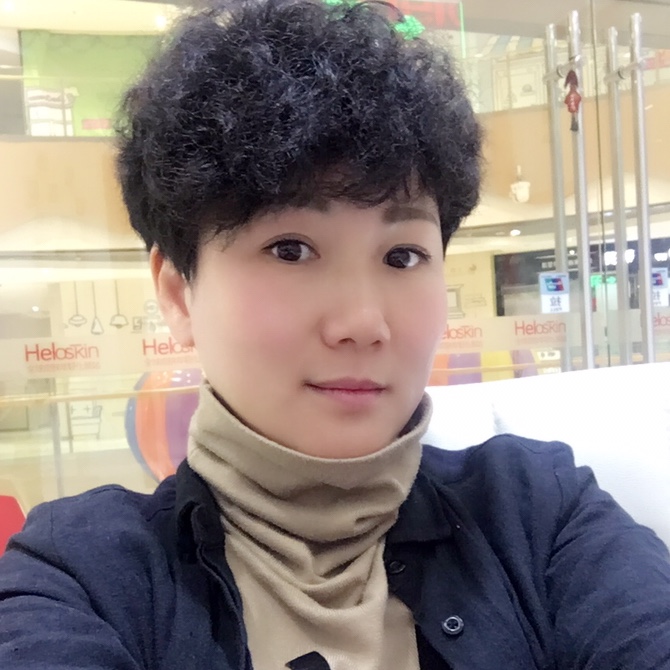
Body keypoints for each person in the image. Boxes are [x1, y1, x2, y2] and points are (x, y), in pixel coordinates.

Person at [1, 0, 669, 668]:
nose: (362, 324)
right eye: (290, 249)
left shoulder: (539, 514)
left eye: (402, 256)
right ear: (178, 291)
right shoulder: (82, 578)